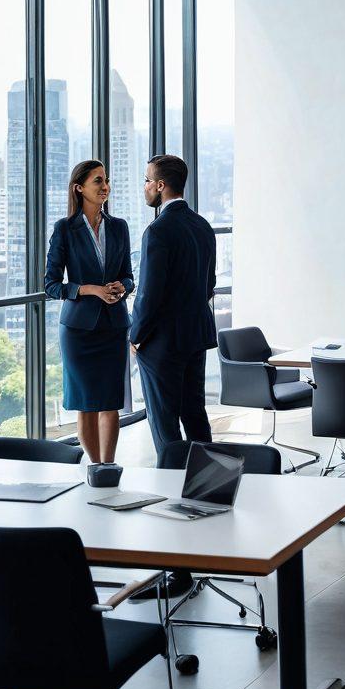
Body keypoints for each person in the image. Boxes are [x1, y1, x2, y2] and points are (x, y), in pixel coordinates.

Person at [44, 160, 133, 465]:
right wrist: (91, 289)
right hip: (79, 331)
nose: (105, 186)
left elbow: (129, 275)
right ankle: (93, 468)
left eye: (106, 180)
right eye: (98, 181)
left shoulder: (119, 226)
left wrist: (123, 286)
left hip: (113, 326)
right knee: (86, 404)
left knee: (110, 403)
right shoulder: (65, 230)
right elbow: (51, 285)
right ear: (79, 188)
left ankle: (108, 467)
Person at [130, 154, 217, 461]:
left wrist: (135, 335)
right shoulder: (203, 226)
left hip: (162, 343)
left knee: (164, 421)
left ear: (161, 185)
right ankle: (209, 485)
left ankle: (171, 490)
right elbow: (209, 284)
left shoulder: (158, 230)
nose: (145, 187)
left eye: (146, 181)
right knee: (195, 414)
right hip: (195, 336)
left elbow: (149, 294)